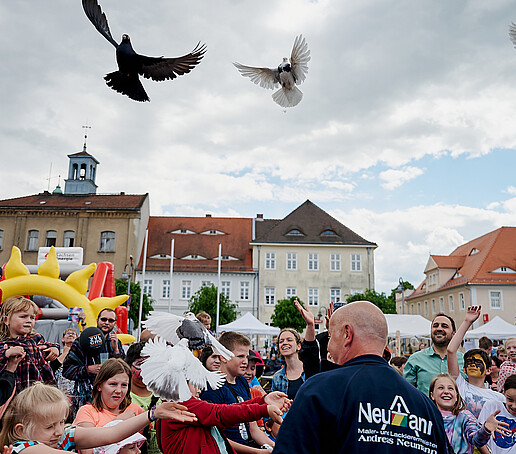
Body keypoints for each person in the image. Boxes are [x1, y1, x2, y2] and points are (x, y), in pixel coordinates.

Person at [273, 300, 450, 454]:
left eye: (331, 336)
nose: (328, 347)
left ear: (347, 334)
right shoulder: (427, 408)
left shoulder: (319, 390)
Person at [0, 382, 196, 453]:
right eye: (49, 427)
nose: (59, 431)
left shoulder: (62, 436)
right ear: (20, 430)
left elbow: (111, 433)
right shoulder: (24, 448)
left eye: (61, 422)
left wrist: (153, 414)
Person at [200, 331, 278, 453]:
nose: (246, 362)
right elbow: (215, 438)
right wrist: (257, 452)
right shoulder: (212, 387)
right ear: (224, 357)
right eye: (240, 356)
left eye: (246, 356)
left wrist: (277, 447)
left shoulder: (242, 381)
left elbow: (253, 428)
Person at [157, 382, 288, 454]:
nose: (199, 390)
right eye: (195, 384)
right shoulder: (179, 404)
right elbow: (220, 413)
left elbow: (226, 410)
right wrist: (263, 409)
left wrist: (263, 400)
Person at [74, 358, 145, 454]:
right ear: (99, 386)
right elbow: (88, 452)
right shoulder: (87, 412)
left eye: (124, 385)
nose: (119, 390)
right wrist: (118, 422)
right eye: (113, 384)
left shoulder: (135, 409)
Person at [447, 306, 505, 418]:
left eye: (478, 362)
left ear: (488, 370)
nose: (472, 364)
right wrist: (467, 322)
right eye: (469, 362)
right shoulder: (460, 385)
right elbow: (451, 350)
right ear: (464, 369)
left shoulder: (498, 398)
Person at [428, 373, 509, 454]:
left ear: (456, 396)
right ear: (432, 395)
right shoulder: (427, 417)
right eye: (441, 388)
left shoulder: (465, 416)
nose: (446, 391)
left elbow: (477, 440)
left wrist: (485, 429)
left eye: (450, 388)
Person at [0, 296, 59, 393]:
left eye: (32, 317)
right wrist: (7, 353)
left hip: (39, 388)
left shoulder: (35, 338)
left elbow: (48, 345)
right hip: (16, 392)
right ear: (6, 320)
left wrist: (53, 348)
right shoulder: (4, 343)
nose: (29, 320)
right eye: (23, 317)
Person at [403, 312, 465, 396]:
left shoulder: (464, 360)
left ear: (454, 333)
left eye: (444, 326)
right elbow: (408, 393)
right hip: (425, 408)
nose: (439, 329)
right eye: (435, 326)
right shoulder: (415, 359)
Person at [125, 342, 161, 454]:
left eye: (150, 364)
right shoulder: (120, 397)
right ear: (129, 366)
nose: (146, 369)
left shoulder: (164, 395)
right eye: (140, 364)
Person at [478, 374, 516, 453]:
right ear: (504, 393)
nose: (514, 406)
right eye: (510, 399)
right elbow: (479, 439)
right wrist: (486, 429)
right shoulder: (492, 406)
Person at [53, 328, 79, 398]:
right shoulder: (56, 352)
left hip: (75, 392)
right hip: (59, 392)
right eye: (68, 333)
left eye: (73, 334)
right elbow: (53, 367)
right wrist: (65, 353)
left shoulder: (79, 354)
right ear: (63, 339)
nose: (70, 334)